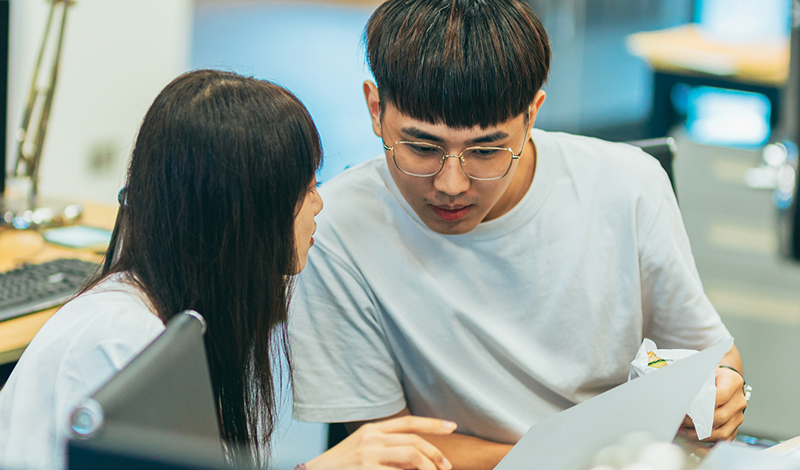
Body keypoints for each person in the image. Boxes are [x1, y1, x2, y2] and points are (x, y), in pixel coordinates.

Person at [287, 1, 749, 469]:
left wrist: (722, 385)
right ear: (374, 108)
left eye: (485, 150)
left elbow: (708, 354)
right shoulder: (334, 227)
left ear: (531, 116)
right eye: (422, 147)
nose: (451, 185)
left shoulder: (628, 186)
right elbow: (388, 449)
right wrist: (578, 460)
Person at [0, 70, 457, 470]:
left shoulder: (185, 312)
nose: (320, 204)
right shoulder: (122, 340)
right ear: (244, 214)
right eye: (306, 188)